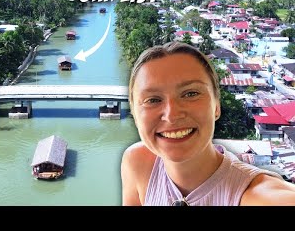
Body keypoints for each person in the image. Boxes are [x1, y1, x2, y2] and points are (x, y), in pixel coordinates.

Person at [121, 41, 295, 206]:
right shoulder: (138, 163)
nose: (172, 115)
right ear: (135, 115)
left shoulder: (256, 196)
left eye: (190, 94)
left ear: (216, 106)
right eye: (152, 99)